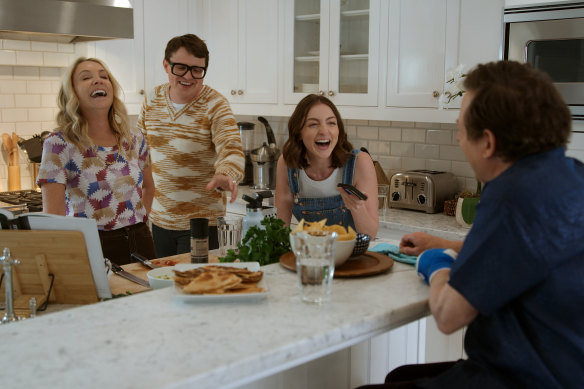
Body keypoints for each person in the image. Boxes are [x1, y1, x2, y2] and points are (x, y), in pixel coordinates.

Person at [359, 60, 584, 389]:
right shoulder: (571, 175)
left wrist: (436, 265)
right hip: (568, 371)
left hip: (521, 378)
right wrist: (443, 244)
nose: (459, 137)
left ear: (488, 143)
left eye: (461, 128)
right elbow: (522, 253)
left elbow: (449, 316)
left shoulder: (511, 193)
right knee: (400, 377)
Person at [37, 57, 156, 265]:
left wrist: (137, 221)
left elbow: (149, 187)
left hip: (140, 241)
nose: (98, 81)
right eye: (86, 77)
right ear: (72, 93)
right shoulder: (59, 144)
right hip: (91, 244)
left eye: (104, 76)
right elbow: (53, 219)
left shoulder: (134, 138)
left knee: (146, 297)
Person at [137, 34, 245, 257]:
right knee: (164, 287)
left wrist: (226, 174)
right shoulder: (152, 99)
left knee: (196, 288)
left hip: (202, 224)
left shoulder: (215, 104)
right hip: (159, 221)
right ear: (166, 65)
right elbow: (138, 151)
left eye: (197, 70)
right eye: (181, 68)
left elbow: (231, 147)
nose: (189, 76)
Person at [275, 94, 378, 238]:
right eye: (313, 124)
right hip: (313, 256)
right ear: (299, 132)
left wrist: (357, 208)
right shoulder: (287, 164)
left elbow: (371, 234)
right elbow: (280, 229)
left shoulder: (359, 163)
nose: (324, 131)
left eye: (331, 123)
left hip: (353, 257)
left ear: (338, 129)